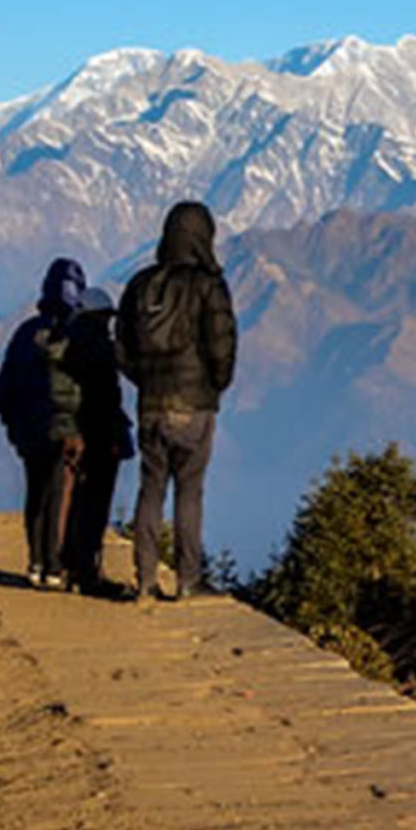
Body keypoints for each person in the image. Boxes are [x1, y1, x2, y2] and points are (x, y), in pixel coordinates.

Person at [117, 200, 237, 602]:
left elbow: (122, 347)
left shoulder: (139, 285)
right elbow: (222, 346)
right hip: (194, 405)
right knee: (190, 490)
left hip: (150, 403)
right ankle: (188, 579)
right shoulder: (208, 285)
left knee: (150, 489)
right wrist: (215, 384)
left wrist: (145, 379)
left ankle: (145, 579)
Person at [0, 257, 87, 588]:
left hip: (29, 429)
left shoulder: (25, 333)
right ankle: (55, 564)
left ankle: (35, 561)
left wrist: (12, 425)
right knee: (62, 493)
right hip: (69, 429)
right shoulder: (79, 333)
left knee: (36, 491)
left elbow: (5, 386)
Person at [57, 286, 134, 596]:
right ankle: (89, 571)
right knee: (95, 505)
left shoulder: (70, 343)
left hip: (80, 433)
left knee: (79, 501)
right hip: (101, 436)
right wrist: (115, 436)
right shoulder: (99, 349)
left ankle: (73, 565)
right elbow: (106, 400)